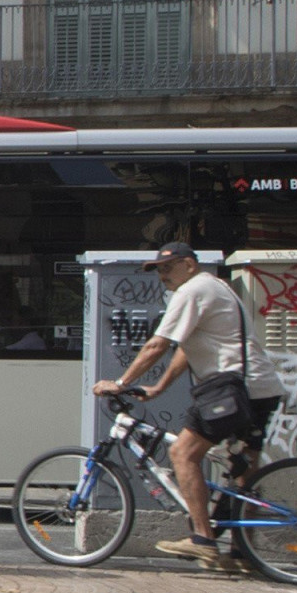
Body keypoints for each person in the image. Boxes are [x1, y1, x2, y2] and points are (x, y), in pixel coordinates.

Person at [100, 241, 249, 567]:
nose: (163, 275)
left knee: (182, 453)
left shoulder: (192, 290)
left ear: (190, 265)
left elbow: (157, 345)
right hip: (247, 386)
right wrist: (158, 388)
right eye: (159, 270)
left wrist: (121, 383)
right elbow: (186, 348)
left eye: (168, 267)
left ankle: (203, 540)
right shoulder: (212, 286)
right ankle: (243, 553)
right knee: (243, 470)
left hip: (224, 387)